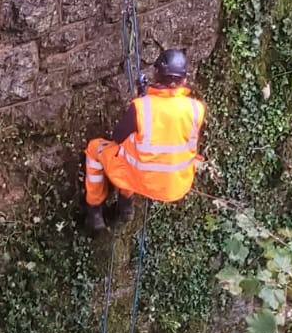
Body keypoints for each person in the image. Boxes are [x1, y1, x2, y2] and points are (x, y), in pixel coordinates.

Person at [83, 48, 205, 231]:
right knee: (135, 149)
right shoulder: (196, 109)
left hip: (141, 179)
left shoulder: (142, 107)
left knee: (95, 149)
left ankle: (94, 210)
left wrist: (143, 101)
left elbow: (118, 136)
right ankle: (125, 206)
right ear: (184, 79)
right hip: (177, 185)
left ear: (156, 74)